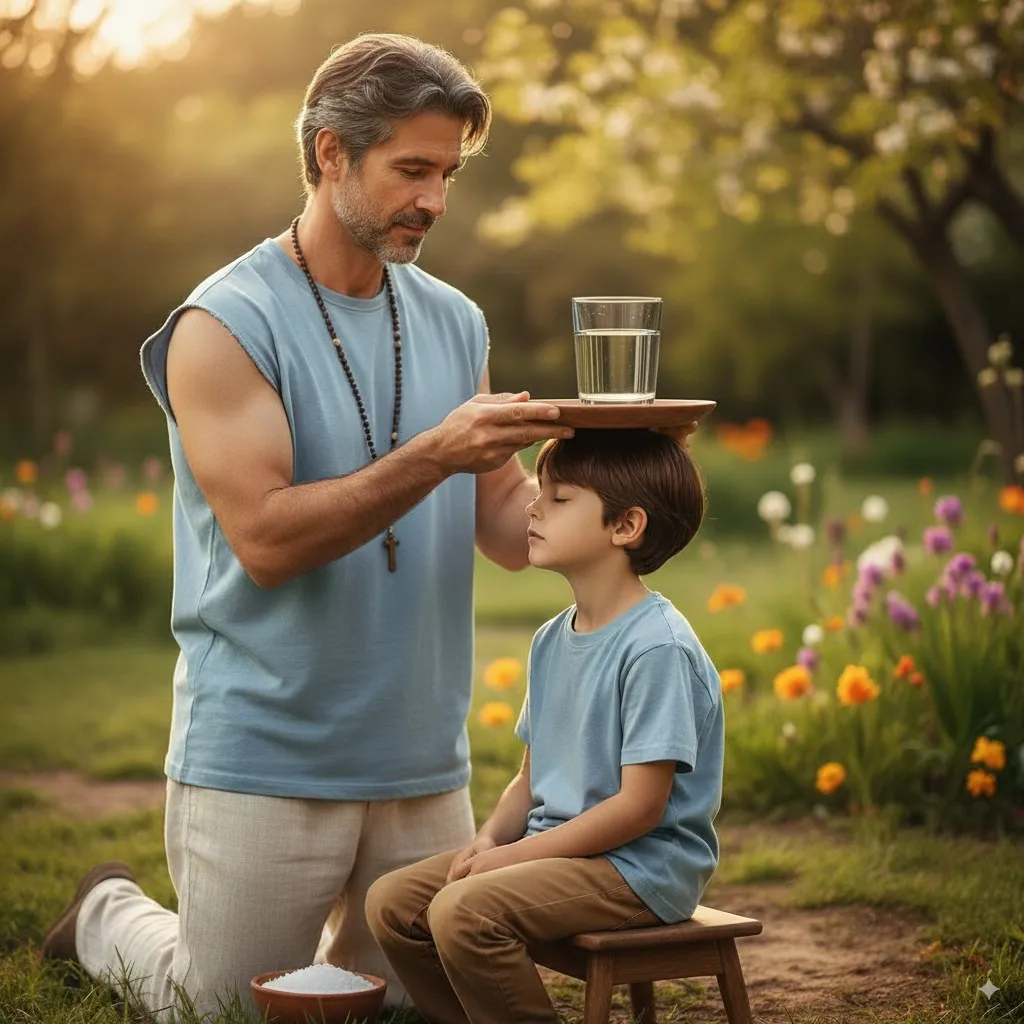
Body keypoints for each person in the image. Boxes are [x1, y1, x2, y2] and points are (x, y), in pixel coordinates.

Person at [39, 33, 580, 1019]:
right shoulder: (225, 322)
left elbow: (504, 525)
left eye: (447, 174)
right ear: (330, 152)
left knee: (414, 1003)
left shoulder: (457, 319)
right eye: (411, 170)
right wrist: (435, 453)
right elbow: (268, 539)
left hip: (421, 758)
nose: (434, 201)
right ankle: (108, 916)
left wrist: (609, 481)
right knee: (231, 1006)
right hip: (266, 755)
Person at [365, 428, 724, 1024]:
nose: (533, 505)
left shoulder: (657, 648)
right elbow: (531, 779)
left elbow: (639, 809)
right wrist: (489, 840)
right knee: (393, 904)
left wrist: (511, 863)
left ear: (625, 526)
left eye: (559, 499)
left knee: (464, 912)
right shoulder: (552, 638)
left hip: (641, 868)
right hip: (560, 852)